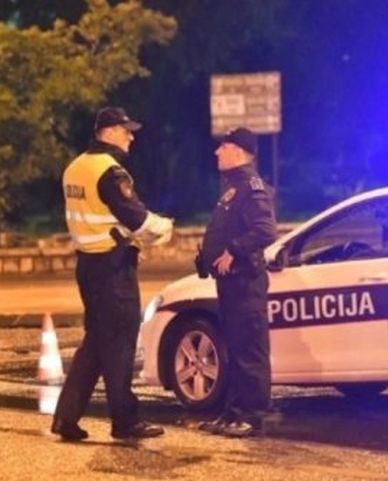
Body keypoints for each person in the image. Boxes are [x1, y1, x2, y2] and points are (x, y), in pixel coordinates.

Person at [51, 106, 173, 441]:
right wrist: (165, 228)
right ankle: (125, 422)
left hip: (88, 266)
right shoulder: (110, 171)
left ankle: (66, 418)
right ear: (109, 132)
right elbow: (137, 219)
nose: (131, 136)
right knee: (119, 344)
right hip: (113, 269)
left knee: (96, 342)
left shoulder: (75, 167)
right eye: (126, 130)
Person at [196, 127, 278, 438]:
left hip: (246, 283)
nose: (217, 152)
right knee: (233, 350)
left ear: (238, 151)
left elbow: (265, 230)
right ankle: (232, 414)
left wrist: (233, 250)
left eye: (224, 147)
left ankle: (252, 416)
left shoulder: (252, 188)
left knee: (250, 352)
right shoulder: (233, 187)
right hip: (230, 284)